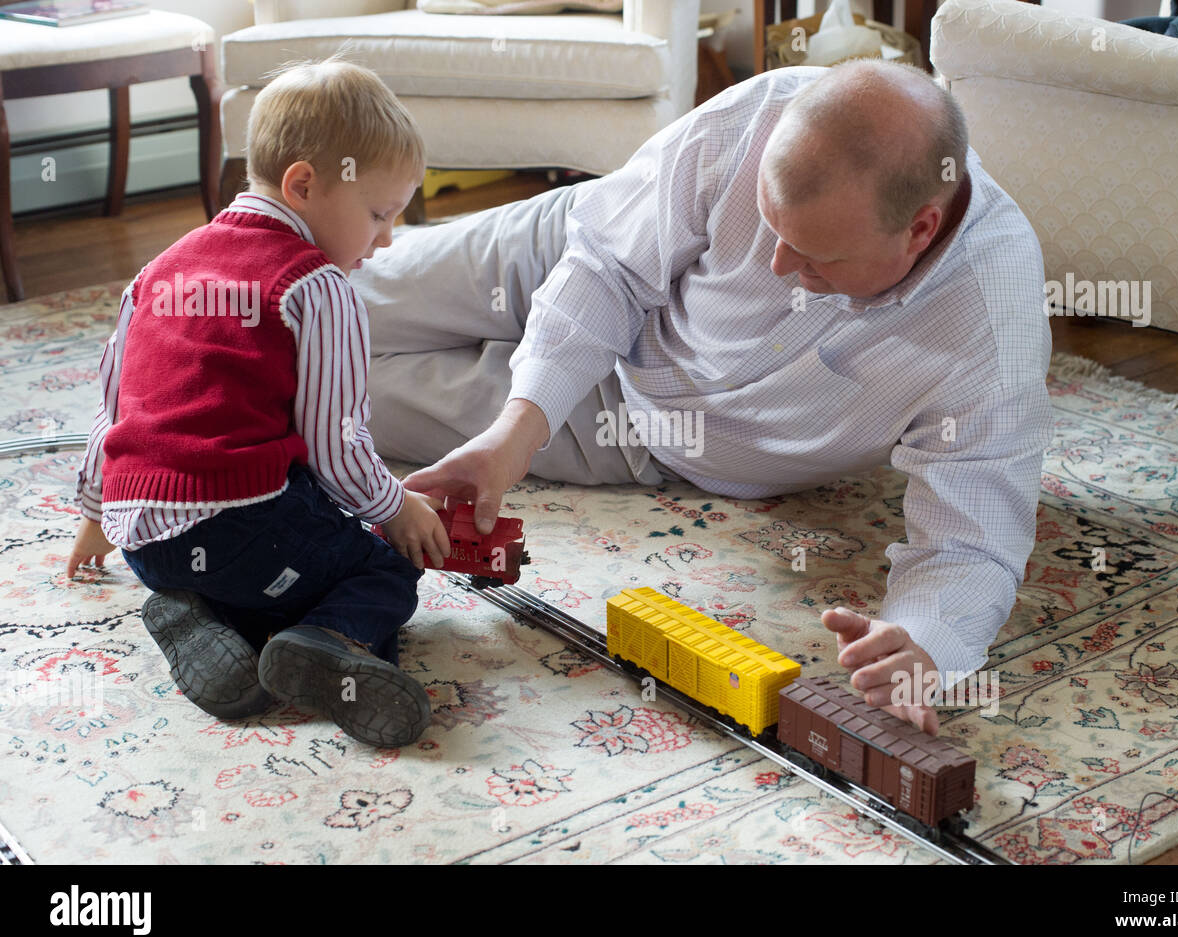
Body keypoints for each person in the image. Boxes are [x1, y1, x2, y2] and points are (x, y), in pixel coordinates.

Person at [350, 59, 1052, 737]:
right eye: (769, 227)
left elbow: (975, 536)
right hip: (576, 259)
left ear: (920, 230)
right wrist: (516, 428)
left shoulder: (992, 318)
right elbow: (608, 268)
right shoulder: (754, 114)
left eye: (815, 255)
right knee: (325, 300)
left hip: (640, 433)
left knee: (325, 395)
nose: (778, 265)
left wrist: (925, 640)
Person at [64, 60, 451, 748]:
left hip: (145, 543)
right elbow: (337, 446)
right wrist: (396, 509)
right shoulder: (315, 286)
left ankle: (204, 620)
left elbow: (112, 407)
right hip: (238, 534)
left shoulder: (158, 269)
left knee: (285, 527)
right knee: (380, 566)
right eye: (378, 214)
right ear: (303, 185)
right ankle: (328, 644)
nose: (386, 238)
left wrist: (96, 515)